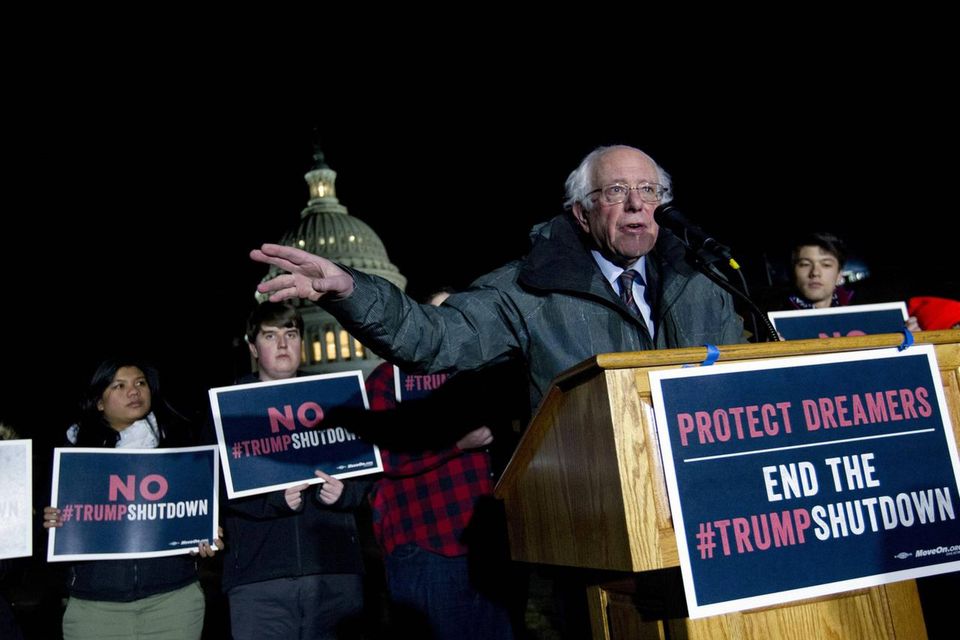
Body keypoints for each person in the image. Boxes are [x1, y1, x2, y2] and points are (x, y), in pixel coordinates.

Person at [251, 144, 745, 413]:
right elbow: (434, 338)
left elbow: (743, 381)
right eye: (616, 191)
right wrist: (351, 290)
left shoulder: (704, 282)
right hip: (600, 502)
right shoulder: (527, 292)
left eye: (649, 190)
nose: (637, 203)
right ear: (581, 212)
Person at [364, 289, 518, 639]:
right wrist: (456, 444)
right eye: (442, 314)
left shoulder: (481, 377)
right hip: (427, 545)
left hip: (485, 547)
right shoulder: (388, 379)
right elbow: (385, 455)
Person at [42, 357, 220, 640]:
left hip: (173, 602)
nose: (134, 391)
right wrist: (50, 521)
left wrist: (204, 533)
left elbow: (193, 517)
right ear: (99, 402)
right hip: (95, 607)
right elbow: (47, 534)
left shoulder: (181, 448)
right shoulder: (73, 461)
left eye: (140, 383)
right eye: (119, 386)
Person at [219, 301, 368, 640]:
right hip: (260, 580)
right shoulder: (229, 409)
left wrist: (345, 493)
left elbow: (367, 474)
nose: (283, 344)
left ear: (302, 340)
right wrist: (273, 501)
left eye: (291, 334)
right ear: (253, 347)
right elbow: (218, 488)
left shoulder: (335, 400)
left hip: (335, 572)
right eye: (270, 336)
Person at [786, 231, 921, 330]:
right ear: (793, 271)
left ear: (839, 275)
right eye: (805, 264)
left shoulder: (867, 316)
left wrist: (914, 340)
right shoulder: (775, 319)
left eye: (826, 265)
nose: (815, 273)